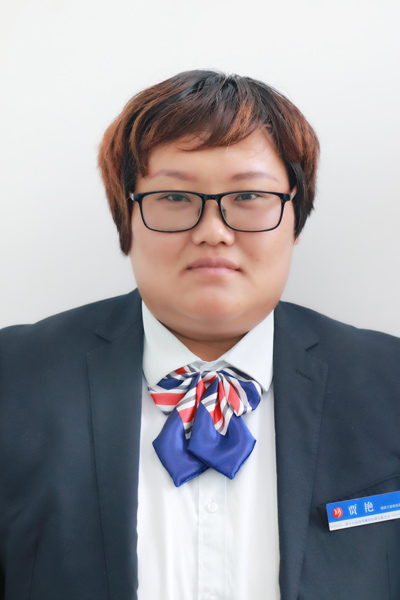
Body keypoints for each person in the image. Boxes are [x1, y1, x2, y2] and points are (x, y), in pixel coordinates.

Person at [1, 69, 400, 600]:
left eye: (249, 195)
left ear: (295, 216)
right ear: (126, 216)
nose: (213, 231)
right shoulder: (13, 379)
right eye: (174, 196)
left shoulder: (390, 383)